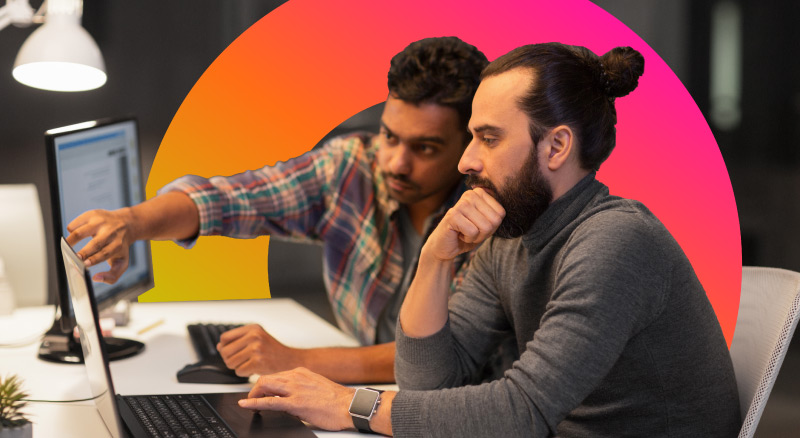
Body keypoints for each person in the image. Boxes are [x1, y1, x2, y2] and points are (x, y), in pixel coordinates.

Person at [235, 42, 742, 437]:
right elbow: (428, 381)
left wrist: (349, 404)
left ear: (557, 145)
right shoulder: (509, 235)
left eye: (490, 138)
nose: (466, 161)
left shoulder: (617, 241)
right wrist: (434, 259)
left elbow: (519, 413)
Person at [65, 37, 489, 383]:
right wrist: (131, 222)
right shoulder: (350, 167)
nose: (396, 162)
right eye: (390, 137)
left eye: (425, 148)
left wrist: (296, 360)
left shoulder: (487, 221)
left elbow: (443, 356)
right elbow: (229, 200)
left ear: (468, 142)